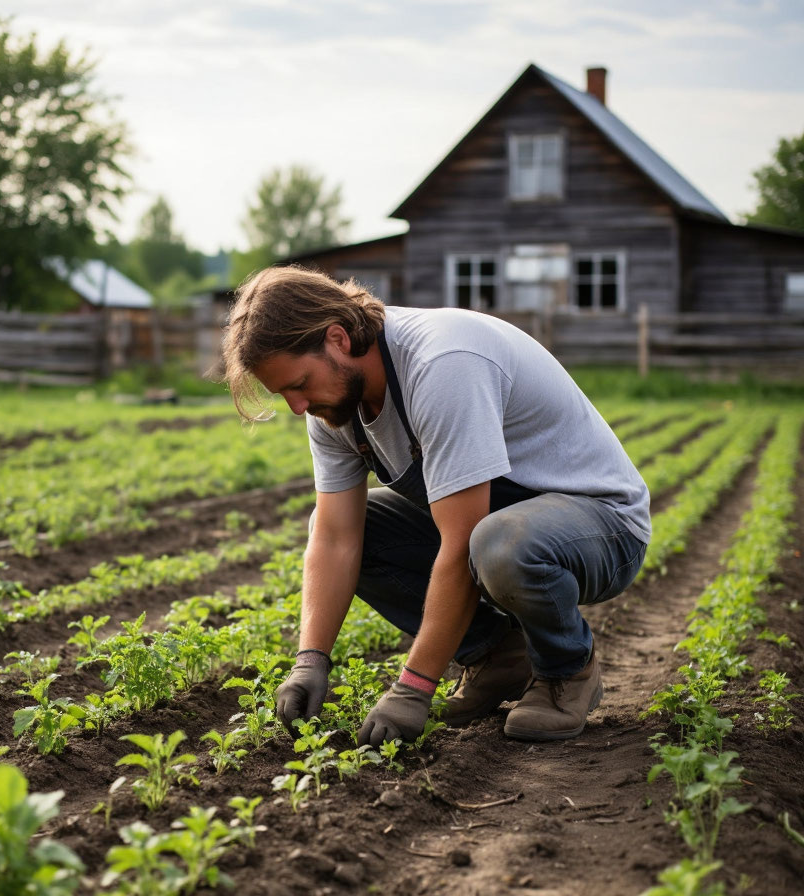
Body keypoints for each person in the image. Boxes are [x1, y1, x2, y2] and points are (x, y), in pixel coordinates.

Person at [220, 266, 650, 746]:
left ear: (337, 338)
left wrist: (413, 688)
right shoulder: (333, 407)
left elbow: (462, 541)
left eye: (299, 383)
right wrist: (310, 660)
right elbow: (337, 538)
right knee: (361, 530)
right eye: (284, 393)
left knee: (500, 544)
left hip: (601, 524)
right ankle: (497, 657)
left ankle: (566, 670)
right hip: (500, 525)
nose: (297, 406)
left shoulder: (441, 364)